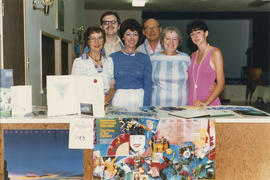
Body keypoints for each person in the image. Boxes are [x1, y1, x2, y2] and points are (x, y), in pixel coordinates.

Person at [110, 18, 152, 110]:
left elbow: (148, 86)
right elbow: (110, 85)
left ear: (139, 37)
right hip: (119, 100)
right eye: (128, 34)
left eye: (135, 34)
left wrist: (146, 108)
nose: (132, 38)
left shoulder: (145, 58)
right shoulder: (113, 58)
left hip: (139, 100)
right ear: (123, 37)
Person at [71, 26, 115, 105]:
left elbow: (112, 88)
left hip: (107, 104)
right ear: (88, 42)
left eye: (100, 38)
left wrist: (106, 99)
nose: (97, 42)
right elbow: (75, 88)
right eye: (92, 39)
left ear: (103, 41)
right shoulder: (79, 62)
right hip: (87, 104)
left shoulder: (109, 61)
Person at [186, 20, 225, 106]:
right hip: (192, 103)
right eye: (192, 34)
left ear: (206, 33)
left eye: (198, 32)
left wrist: (206, 102)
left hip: (208, 103)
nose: (195, 36)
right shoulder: (192, 56)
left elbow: (221, 83)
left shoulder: (215, 53)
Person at [150, 26, 191, 107]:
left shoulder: (186, 58)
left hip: (181, 107)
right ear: (162, 41)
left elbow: (195, 79)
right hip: (157, 107)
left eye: (175, 39)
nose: (171, 42)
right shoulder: (152, 58)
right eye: (167, 38)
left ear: (179, 42)